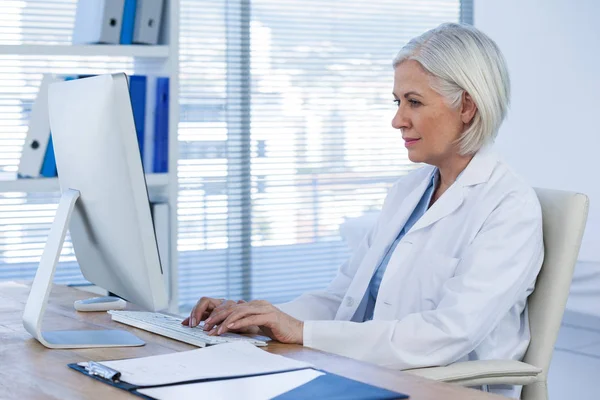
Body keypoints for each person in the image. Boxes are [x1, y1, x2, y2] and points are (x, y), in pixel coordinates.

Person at [182, 23, 543, 398]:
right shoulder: (409, 191)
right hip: (366, 374)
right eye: (397, 102)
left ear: (466, 106)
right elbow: (342, 299)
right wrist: (260, 318)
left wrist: (302, 331)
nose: (398, 119)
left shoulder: (508, 207)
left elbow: (447, 334)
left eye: (414, 102)